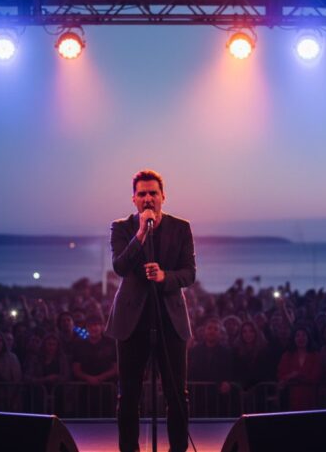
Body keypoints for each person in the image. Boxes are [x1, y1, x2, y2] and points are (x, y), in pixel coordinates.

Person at [105, 169, 196, 452]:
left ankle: (178, 449)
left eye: (153, 193)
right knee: (129, 394)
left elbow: (189, 273)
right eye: (142, 194)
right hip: (132, 320)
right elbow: (120, 266)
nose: (147, 198)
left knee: (176, 394)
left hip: (169, 318)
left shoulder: (181, 227)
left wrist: (164, 277)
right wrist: (142, 233)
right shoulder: (121, 227)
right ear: (133, 199)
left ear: (163, 197)